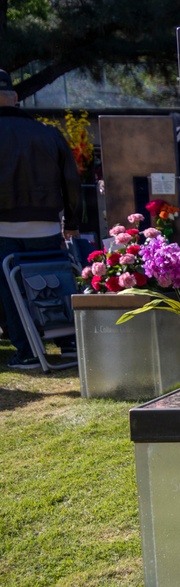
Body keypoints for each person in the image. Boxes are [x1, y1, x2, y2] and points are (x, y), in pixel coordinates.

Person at [0, 69, 81, 370]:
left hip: (3, 227)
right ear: (16, 98)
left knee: (12, 293)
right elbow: (71, 181)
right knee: (56, 284)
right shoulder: (48, 133)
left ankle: (28, 353)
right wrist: (71, 222)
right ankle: (69, 343)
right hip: (47, 224)